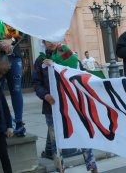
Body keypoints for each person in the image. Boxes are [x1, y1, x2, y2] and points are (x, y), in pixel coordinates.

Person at [33, 40, 98, 173]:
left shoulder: (68, 54)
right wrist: (45, 95)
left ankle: (92, 168)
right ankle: (60, 170)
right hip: (51, 107)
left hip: (73, 104)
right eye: (47, 40)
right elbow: (36, 82)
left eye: (53, 39)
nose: (51, 42)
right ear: (43, 42)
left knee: (84, 135)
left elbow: (78, 73)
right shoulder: (40, 60)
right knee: (56, 143)